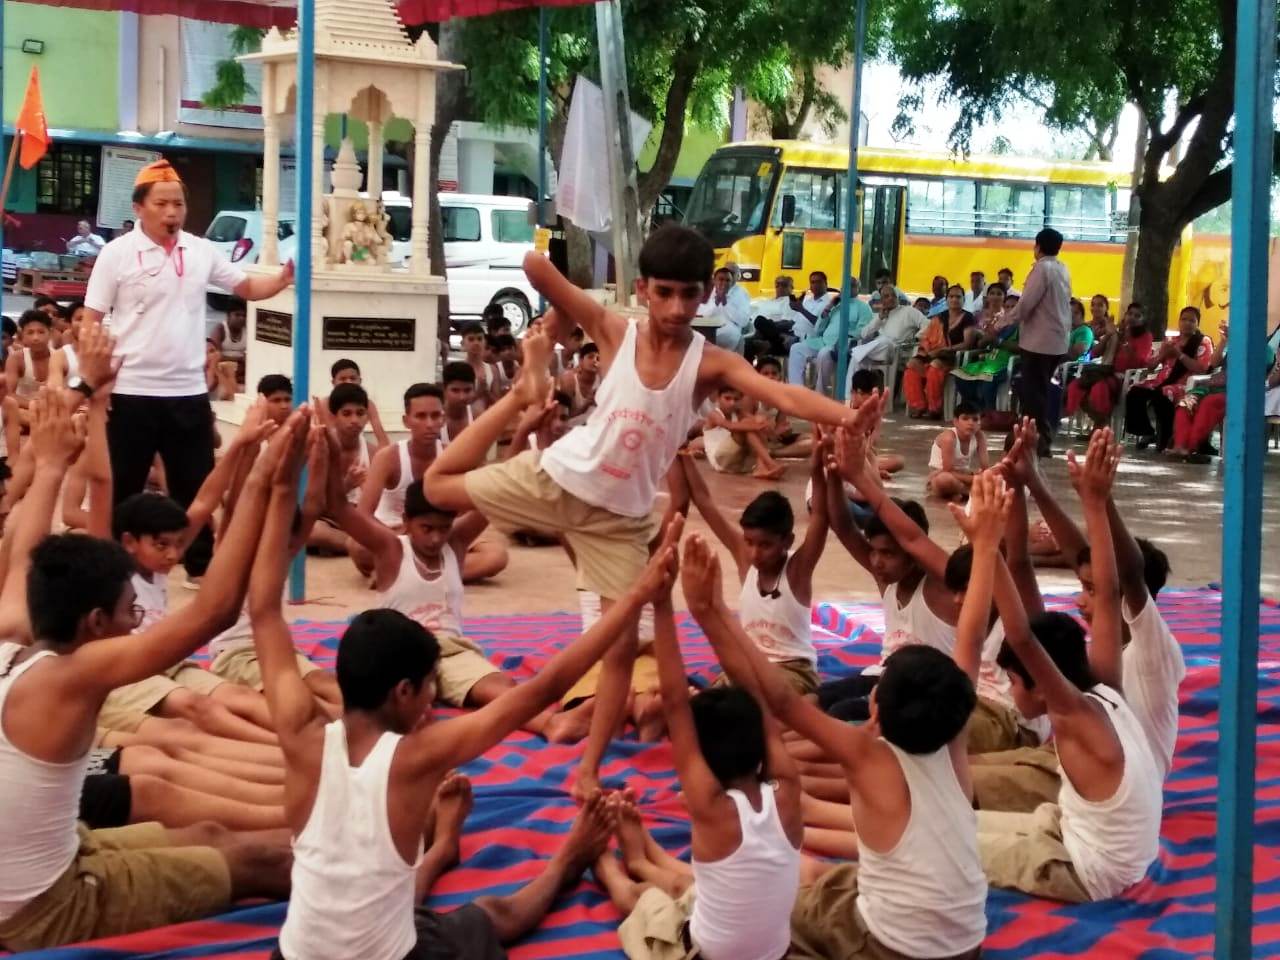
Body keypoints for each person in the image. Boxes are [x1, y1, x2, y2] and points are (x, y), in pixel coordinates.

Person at [425, 223, 862, 801]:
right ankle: (520, 394)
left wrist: (847, 416)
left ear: (708, 292)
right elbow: (534, 265)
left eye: (690, 293)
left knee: (622, 651)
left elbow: (780, 395)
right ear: (642, 288)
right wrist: (555, 320)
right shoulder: (612, 329)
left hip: (621, 522)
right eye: (664, 293)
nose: (678, 308)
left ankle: (589, 770)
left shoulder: (711, 364)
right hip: (561, 477)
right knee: (435, 486)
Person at [253, 487, 683, 960]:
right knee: (493, 915)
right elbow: (540, 690)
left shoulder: (299, 734)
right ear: (402, 691)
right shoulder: (417, 757)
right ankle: (567, 862)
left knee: (398, 906)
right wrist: (639, 593)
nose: (434, 696)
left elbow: (264, 611)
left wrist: (275, 493)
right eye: (429, 685)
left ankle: (441, 852)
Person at [0, 388, 299, 952]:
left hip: (58, 854)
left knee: (211, 833)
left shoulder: (12, 635)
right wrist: (265, 482)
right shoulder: (68, 678)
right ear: (93, 623)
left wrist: (49, 465)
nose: (136, 620)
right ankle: (393, 888)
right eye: (127, 611)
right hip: (46, 909)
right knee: (262, 863)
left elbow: (25, 555)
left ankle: (346, 828)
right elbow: (214, 610)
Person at [683, 531, 986, 959]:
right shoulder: (954, 742)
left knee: (759, 914)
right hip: (968, 946)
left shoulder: (868, 756)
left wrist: (710, 613)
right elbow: (970, 640)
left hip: (892, 950)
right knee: (827, 882)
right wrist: (987, 546)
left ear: (875, 713)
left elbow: (780, 700)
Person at [83, 159, 294, 581]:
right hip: (131, 389)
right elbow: (91, 318)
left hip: (187, 390)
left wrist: (285, 278)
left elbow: (247, 287)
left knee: (196, 484)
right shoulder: (116, 254)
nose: (172, 212)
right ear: (139, 207)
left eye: (178, 204)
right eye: (162, 203)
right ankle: (114, 567)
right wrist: (94, 380)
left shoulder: (199, 250)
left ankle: (199, 564)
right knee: (122, 483)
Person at [975, 432, 1162, 902]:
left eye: (1015, 678)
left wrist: (986, 546)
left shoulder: (1072, 712)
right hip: (1086, 837)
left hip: (1085, 871)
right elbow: (1110, 589)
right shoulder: (1106, 687)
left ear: (1039, 683)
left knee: (935, 841)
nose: (1010, 685)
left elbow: (1021, 636)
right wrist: (1095, 503)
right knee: (945, 819)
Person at [601, 535, 804, 960]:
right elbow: (759, 697)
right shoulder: (787, 788)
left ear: (702, 760)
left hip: (705, 954)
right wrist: (706, 611)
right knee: (692, 889)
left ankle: (609, 865)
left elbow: (675, 700)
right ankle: (643, 856)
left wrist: (661, 603)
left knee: (644, 903)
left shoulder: (709, 807)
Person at [679, 447, 829, 694]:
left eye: (765, 545)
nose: (754, 553)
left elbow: (821, 516)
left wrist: (818, 471)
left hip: (793, 671)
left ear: (787, 542)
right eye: (749, 542)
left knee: (757, 703)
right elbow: (705, 502)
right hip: (748, 665)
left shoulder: (797, 570)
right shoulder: (745, 559)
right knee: (704, 705)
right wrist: (681, 449)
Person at [1001, 228, 1070, 454]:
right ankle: (1035, 438)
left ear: (1037, 246)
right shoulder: (1062, 268)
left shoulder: (1042, 269)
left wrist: (1001, 323)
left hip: (1039, 342)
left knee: (1034, 393)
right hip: (1057, 340)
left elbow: (1026, 305)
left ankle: (1038, 441)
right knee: (1038, 390)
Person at [1124, 306, 1213, 452]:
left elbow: (1202, 369)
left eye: (1192, 320)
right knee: (1135, 391)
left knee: (1164, 394)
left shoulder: (1203, 341)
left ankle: (1165, 438)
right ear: (1179, 321)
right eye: (1184, 319)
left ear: (1197, 324)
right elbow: (1151, 366)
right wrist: (1162, 354)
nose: (1187, 323)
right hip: (1161, 381)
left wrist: (1179, 354)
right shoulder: (1172, 341)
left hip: (1185, 384)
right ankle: (1147, 431)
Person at [308, 383, 378, 556]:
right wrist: (346, 485)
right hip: (326, 520)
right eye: (347, 414)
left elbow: (379, 507)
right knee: (313, 531)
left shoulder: (373, 453)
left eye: (360, 413)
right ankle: (359, 546)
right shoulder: (319, 449)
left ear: (367, 417)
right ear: (333, 417)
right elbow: (314, 507)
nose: (354, 420)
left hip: (359, 520)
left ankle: (349, 545)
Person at [1065, 302, 1153, 431]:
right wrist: (1108, 335)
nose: (1132, 317)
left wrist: (1126, 340)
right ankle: (1102, 424)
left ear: (1143, 320)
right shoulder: (1116, 332)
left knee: (1098, 389)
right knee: (1076, 386)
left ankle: (1101, 427)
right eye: (1130, 314)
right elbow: (1094, 353)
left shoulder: (1145, 336)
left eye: (1137, 316)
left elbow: (1138, 362)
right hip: (1105, 372)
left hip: (1127, 377)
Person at [788, 274, 871, 395]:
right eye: (844, 286)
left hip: (839, 345)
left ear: (858, 289)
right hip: (822, 341)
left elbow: (862, 330)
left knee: (824, 353)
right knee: (796, 348)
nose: (847, 288)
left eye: (852, 286)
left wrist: (847, 337)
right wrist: (828, 308)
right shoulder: (836, 306)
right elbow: (818, 329)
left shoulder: (863, 307)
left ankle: (820, 393)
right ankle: (796, 392)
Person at [903, 284, 977, 418]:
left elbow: (968, 343)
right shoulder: (939, 318)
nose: (954, 299)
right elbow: (926, 337)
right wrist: (928, 350)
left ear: (963, 300)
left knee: (935, 366)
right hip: (932, 354)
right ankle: (918, 405)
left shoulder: (968, 318)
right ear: (947, 299)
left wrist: (944, 349)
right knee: (911, 366)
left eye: (958, 297)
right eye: (951, 296)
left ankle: (934, 408)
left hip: (953, 356)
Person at [846, 284, 928, 394]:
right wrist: (879, 319)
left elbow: (928, 325)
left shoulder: (909, 311)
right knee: (856, 359)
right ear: (881, 300)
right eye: (886, 296)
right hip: (878, 351)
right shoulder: (880, 315)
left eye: (893, 295)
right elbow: (864, 334)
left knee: (884, 342)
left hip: (897, 350)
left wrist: (916, 339)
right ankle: (849, 398)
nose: (891, 298)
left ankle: (855, 350)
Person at [699, 385, 787, 480]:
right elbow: (729, 426)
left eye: (736, 399)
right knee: (746, 424)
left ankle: (761, 467)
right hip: (720, 461)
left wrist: (762, 421)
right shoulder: (714, 414)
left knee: (754, 422)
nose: (732, 403)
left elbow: (757, 421)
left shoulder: (738, 412)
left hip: (737, 462)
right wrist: (757, 425)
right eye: (727, 398)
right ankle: (770, 463)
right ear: (718, 398)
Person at [927, 401, 988, 501]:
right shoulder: (949, 438)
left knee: (997, 476)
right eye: (965, 418)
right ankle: (967, 492)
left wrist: (983, 476)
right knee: (945, 481)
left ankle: (958, 493)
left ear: (980, 423)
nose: (970, 423)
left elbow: (985, 467)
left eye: (975, 419)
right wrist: (974, 480)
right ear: (955, 421)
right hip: (942, 474)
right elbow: (948, 471)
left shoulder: (980, 436)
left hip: (964, 475)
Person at [697, 266, 753, 353]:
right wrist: (715, 303)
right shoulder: (705, 293)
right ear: (714, 281)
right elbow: (700, 314)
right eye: (721, 279)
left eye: (728, 280)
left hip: (729, 334)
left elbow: (744, 321)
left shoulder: (741, 294)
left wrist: (726, 303)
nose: (724, 283)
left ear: (731, 283)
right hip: (706, 331)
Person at [440, 362, 477, 450]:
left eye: (467, 390)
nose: (462, 397)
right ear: (444, 389)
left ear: (474, 389)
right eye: (455, 390)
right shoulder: (434, 417)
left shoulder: (477, 416)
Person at [560, 342, 600, 423]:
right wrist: (586, 405)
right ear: (581, 360)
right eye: (590, 357)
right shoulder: (569, 381)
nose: (595, 360)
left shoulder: (603, 380)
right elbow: (563, 417)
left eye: (598, 358)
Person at [212, 300, 248, 387]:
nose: (241, 318)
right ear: (228, 316)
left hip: (240, 368)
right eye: (237, 315)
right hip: (223, 366)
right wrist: (238, 359)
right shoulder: (220, 329)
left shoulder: (248, 330)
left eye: (244, 316)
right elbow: (216, 355)